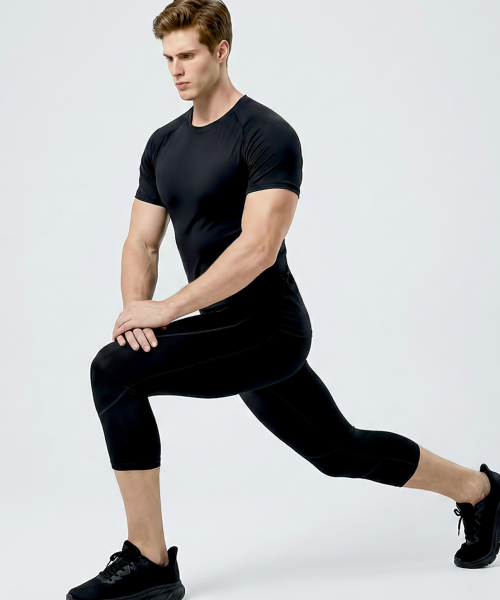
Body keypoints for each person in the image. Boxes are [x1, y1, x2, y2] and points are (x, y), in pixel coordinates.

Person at [66, 1, 500, 599]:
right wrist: (135, 315)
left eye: (187, 55)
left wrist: (165, 311)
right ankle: (481, 491)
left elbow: (258, 248)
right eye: (167, 59)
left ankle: (150, 562)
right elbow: (141, 241)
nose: (176, 70)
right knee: (338, 450)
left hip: (268, 329)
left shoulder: (266, 134)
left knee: (113, 373)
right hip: (220, 327)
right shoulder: (162, 143)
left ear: (221, 50)